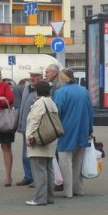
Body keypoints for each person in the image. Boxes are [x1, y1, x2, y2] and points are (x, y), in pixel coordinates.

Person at [53, 68, 94, 198]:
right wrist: (89, 129)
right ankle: (78, 188)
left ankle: (68, 191)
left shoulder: (60, 93)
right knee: (78, 162)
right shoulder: (84, 91)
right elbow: (90, 111)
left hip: (65, 132)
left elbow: (56, 113)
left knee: (65, 162)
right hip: (82, 131)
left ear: (62, 78)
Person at [25, 80, 58, 206]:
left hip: (39, 140)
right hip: (50, 139)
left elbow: (34, 121)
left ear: (37, 91)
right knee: (49, 169)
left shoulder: (40, 103)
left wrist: (29, 137)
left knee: (39, 170)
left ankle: (40, 198)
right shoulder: (51, 102)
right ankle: (49, 197)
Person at [16, 66, 44, 187]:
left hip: (35, 128)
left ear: (40, 78)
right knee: (25, 154)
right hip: (25, 127)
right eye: (31, 75)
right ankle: (28, 176)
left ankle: (36, 178)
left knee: (35, 154)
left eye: (35, 76)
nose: (32, 78)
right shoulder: (27, 88)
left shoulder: (41, 90)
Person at [44, 64, 64, 192]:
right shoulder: (55, 85)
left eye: (47, 72)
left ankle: (59, 181)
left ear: (55, 73)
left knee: (58, 154)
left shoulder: (57, 87)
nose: (46, 74)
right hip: (58, 124)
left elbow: (55, 107)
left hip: (57, 125)